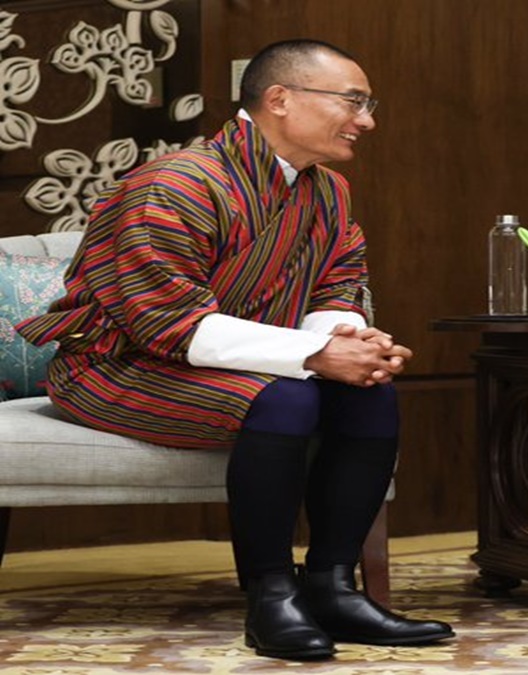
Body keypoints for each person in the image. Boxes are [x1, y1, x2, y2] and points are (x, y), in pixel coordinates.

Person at [17, 39, 453, 661]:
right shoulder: (172, 186)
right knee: (283, 399)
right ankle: (271, 597)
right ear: (280, 99)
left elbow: (336, 280)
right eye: (354, 102)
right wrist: (313, 355)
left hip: (226, 358)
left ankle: (332, 586)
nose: (367, 120)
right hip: (118, 366)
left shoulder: (326, 190)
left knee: (367, 390)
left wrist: (347, 338)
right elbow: (169, 322)